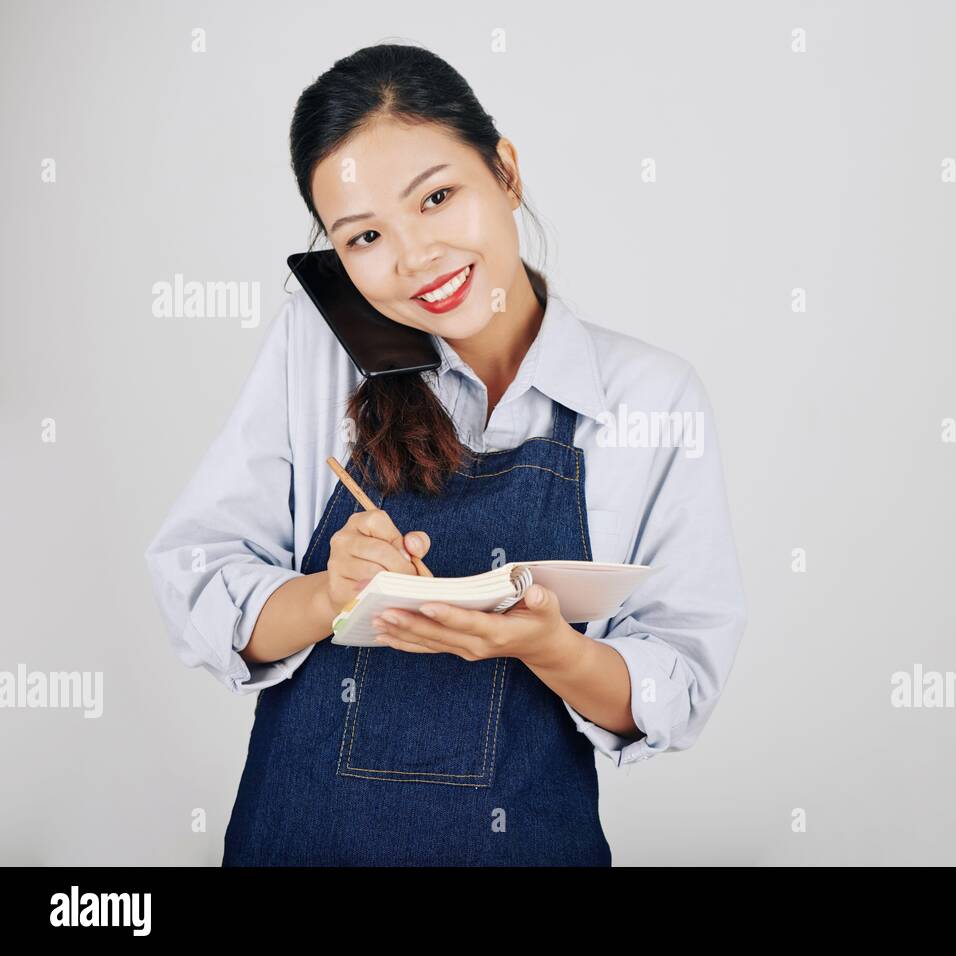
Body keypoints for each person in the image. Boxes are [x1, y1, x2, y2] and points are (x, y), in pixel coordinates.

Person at [143, 43, 747, 866]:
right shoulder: (317, 349)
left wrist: (549, 646)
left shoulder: (651, 398)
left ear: (505, 170)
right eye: (363, 237)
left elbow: (679, 683)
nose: (415, 257)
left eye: (436, 197)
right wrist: (329, 595)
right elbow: (198, 573)